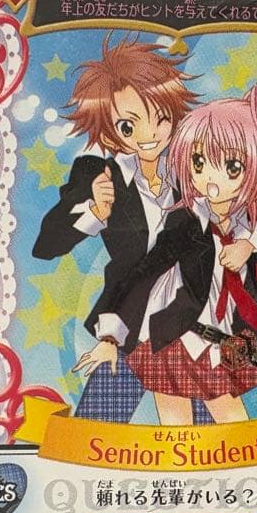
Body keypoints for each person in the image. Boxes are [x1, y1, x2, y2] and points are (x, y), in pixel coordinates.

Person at [74, 82, 257, 425]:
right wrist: (111, 336)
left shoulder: (245, 236)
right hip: (174, 340)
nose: (209, 179)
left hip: (220, 348)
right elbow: (144, 273)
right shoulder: (185, 222)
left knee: (233, 427)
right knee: (178, 428)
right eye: (199, 163)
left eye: (232, 167)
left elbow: (252, 296)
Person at [32, 35, 205, 422]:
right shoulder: (100, 174)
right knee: (93, 435)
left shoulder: (193, 171)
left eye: (161, 117)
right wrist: (95, 209)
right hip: (126, 327)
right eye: (129, 125)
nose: (149, 134)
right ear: (110, 129)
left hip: (190, 329)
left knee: (215, 445)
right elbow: (46, 245)